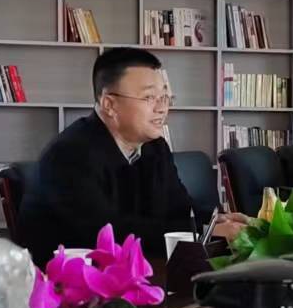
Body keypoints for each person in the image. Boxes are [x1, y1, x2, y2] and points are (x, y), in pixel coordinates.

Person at [19, 48, 243, 266]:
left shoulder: (155, 147)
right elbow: (107, 234)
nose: (162, 108)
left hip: (139, 270)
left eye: (165, 97)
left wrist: (219, 221)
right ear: (110, 104)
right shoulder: (69, 155)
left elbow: (180, 209)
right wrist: (205, 231)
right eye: (149, 97)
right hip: (73, 281)